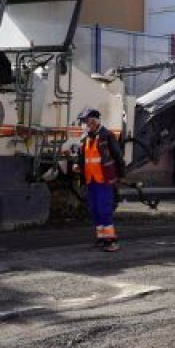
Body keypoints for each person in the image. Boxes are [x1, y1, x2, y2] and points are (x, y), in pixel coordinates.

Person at [76, 107, 126, 252]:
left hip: (104, 180)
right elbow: (83, 159)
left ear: (94, 121)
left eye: (87, 122)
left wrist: (121, 176)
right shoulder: (86, 138)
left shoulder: (107, 136)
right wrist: (77, 166)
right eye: (84, 122)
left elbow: (118, 157)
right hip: (91, 180)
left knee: (104, 210)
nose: (85, 125)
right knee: (94, 210)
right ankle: (101, 238)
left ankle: (111, 240)